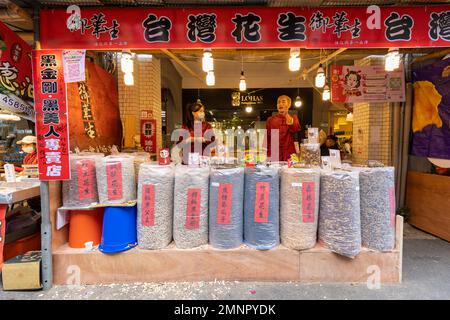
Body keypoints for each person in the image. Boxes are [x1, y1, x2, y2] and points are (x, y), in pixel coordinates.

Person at [266, 95, 301, 161]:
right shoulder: (270, 120)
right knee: (274, 170)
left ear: (289, 105)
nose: (280, 104)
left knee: (289, 170)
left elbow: (295, 128)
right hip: (274, 151)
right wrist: (265, 152)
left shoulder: (294, 117)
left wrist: (286, 114)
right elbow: (267, 137)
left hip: (288, 151)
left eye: (283, 102)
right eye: (278, 102)